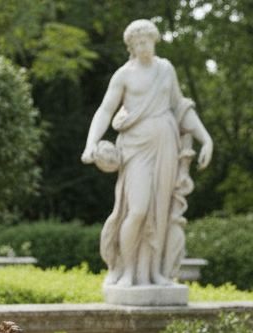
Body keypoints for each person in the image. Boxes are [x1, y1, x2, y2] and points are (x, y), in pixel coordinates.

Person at [82, 19, 212, 289]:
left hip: (166, 145)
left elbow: (181, 108)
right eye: (137, 43)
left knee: (160, 213)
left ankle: (154, 273)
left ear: (154, 40)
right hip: (135, 148)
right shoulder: (124, 74)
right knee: (138, 209)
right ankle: (126, 271)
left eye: (147, 41)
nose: (143, 47)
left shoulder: (166, 69)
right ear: (131, 46)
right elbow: (105, 110)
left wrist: (205, 138)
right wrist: (91, 144)